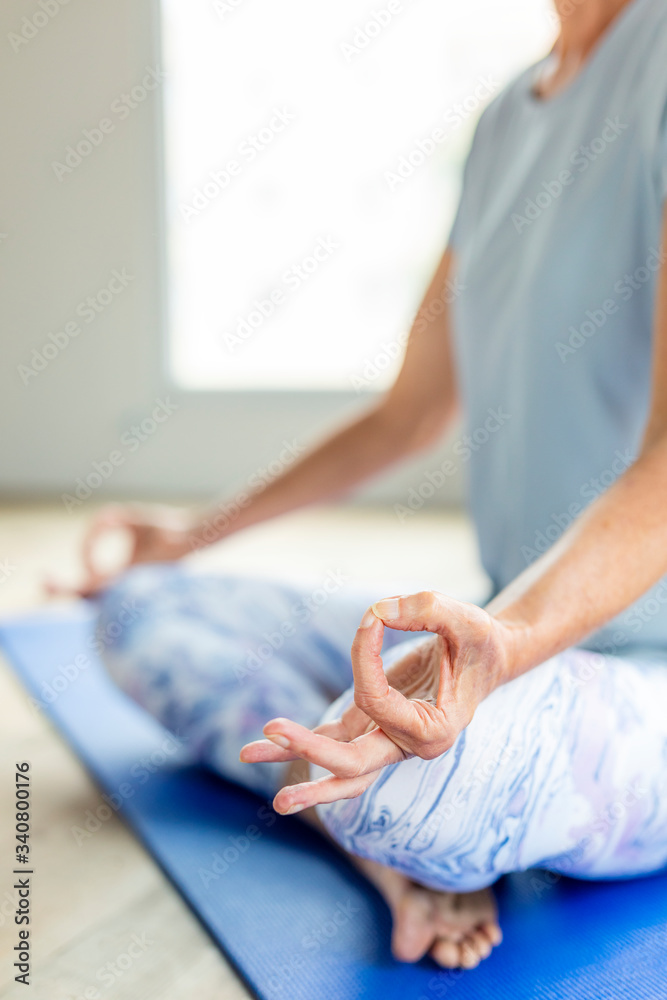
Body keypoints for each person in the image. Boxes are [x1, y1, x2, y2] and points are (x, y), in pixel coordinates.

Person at [73, 0, 667, 970]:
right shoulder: (502, 124)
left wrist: (502, 648)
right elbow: (408, 414)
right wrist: (191, 532)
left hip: (635, 672)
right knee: (140, 611)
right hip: (499, 634)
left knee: (420, 781)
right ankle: (386, 841)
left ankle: (389, 808)